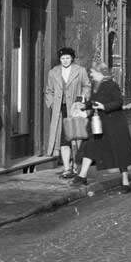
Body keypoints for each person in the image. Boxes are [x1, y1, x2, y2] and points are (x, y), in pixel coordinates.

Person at [71, 61, 131, 193]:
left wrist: (104, 107)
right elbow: (94, 101)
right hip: (99, 124)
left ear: (100, 73)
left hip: (114, 125)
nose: (91, 74)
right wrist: (84, 106)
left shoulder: (112, 85)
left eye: (93, 72)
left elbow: (119, 102)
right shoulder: (97, 85)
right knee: (90, 146)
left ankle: (125, 182)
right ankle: (82, 176)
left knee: (119, 153)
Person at [44, 46, 92, 178]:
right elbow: (48, 91)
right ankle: (66, 168)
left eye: (67, 58)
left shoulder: (80, 71)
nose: (65, 60)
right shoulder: (53, 72)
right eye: (62, 58)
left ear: (72, 58)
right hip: (60, 110)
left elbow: (87, 86)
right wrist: (53, 104)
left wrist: (81, 100)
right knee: (63, 140)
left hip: (75, 109)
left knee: (76, 138)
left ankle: (76, 165)